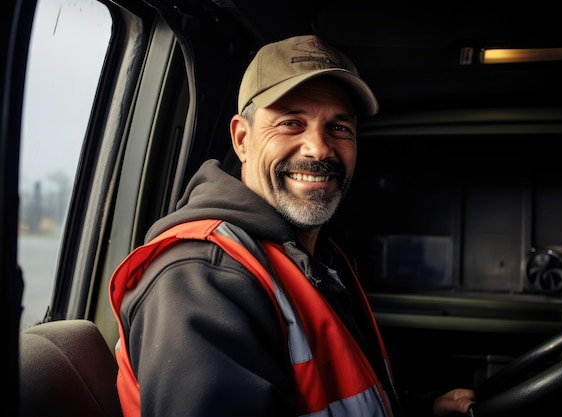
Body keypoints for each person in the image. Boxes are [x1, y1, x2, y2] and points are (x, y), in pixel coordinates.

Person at [109, 34, 475, 417]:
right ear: (242, 139)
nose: (319, 148)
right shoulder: (202, 276)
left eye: (339, 128)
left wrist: (422, 410)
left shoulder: (310, 256)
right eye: (290, 123)